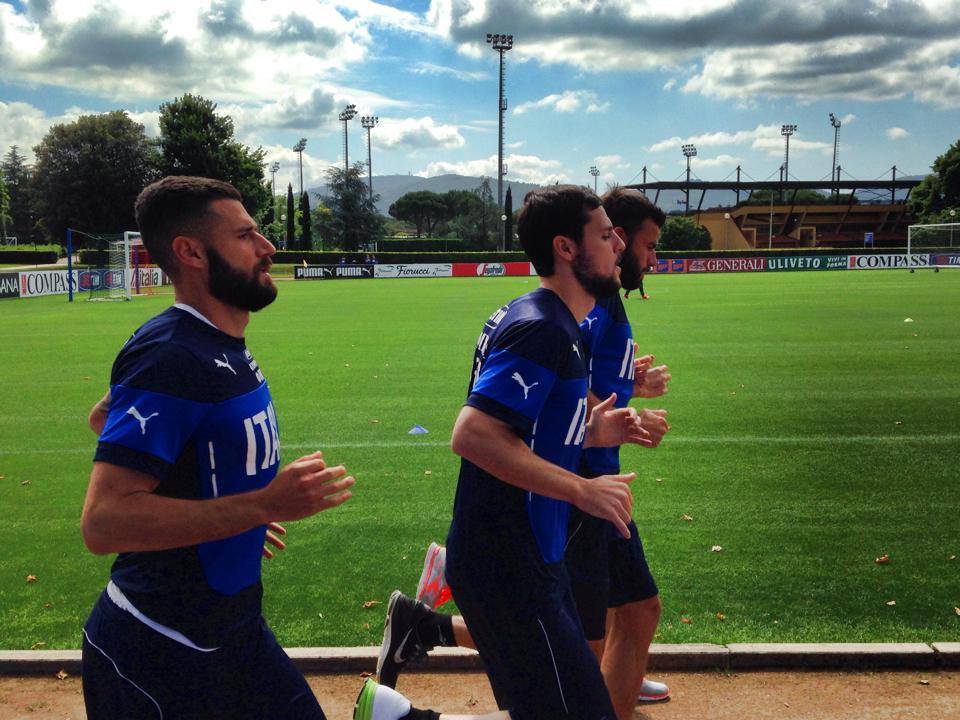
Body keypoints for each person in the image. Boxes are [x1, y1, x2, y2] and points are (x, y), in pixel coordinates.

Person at [374, 187, 671, 720]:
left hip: (533, 554)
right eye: (606, 236)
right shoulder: (542, 327)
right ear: (565, 247)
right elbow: (473, 435)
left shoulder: (562, 326)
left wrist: (597, 430)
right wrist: (584, 488)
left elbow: (538, 426)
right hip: (508, 563)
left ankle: (399, 717)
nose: (620, 248)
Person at [80, 176, 355, 720]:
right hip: (160, 651)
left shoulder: (211, 342)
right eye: (247, 235)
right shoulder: (171, 353)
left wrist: (228, 506)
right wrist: (260, 506)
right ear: (191, 252)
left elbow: (103, 417)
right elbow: (103, 523)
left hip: (234, 630)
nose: (267, 248)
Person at [564, 186, 670, 719]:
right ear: (620, 240)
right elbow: (564, 374)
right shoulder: (594, 301)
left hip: (601, 485)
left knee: (635, 610)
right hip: (582, 489)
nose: (654, 259)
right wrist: (627, 420)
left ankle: (613, 699)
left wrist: (631, 387)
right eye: (649, 246)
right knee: (581, 636)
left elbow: (593, 377)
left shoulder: (606, 301)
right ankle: (430, 624)